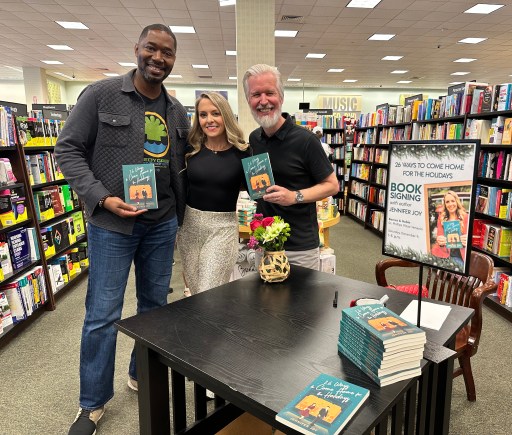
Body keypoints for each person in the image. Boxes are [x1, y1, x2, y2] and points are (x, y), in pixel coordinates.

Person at [54, 24, 189, 435]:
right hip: (112, 223)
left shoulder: (176, 109)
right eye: (152, 48)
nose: (158, 58)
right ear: (137, 49)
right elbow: (67, 149)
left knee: (154, 307)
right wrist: (101, 197)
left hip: (161, 222)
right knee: (102, 313)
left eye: (167, 52)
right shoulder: (101, 95)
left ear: (173, 59)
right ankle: (92, 404)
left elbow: (182, 164)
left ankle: (139, 371)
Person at [242, 64, 339, 270]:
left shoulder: (306, 140)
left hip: (299, 248)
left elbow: (332, 185)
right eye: (256, 94)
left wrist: (294, 196)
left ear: (281, 97)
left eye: (270, 93)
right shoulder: (254, 138)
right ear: (248, 100)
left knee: (301, 293)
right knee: (264, 292)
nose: (263, 101)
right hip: (265, 243)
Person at [178, 92, 249, 296]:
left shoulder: (244, 152)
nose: (209, 120)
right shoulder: (191, 150)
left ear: (225, 115)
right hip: (189, 227)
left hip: (222, 228)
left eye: (215, 113)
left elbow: (257, 190)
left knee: (208, 293)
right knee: (195, 291)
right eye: (203, 115)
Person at [431, 190, 469, 267]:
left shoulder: (466, 217)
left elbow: (471, 240)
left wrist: (467, 240)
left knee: (459, 268)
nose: (450, 204)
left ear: (457, 202)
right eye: (447, 202)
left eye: (453, 201)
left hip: (459, 254)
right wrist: (440, 240)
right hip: (444, 253)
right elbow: (439, 237)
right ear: (445, 204)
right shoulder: (441, 217)